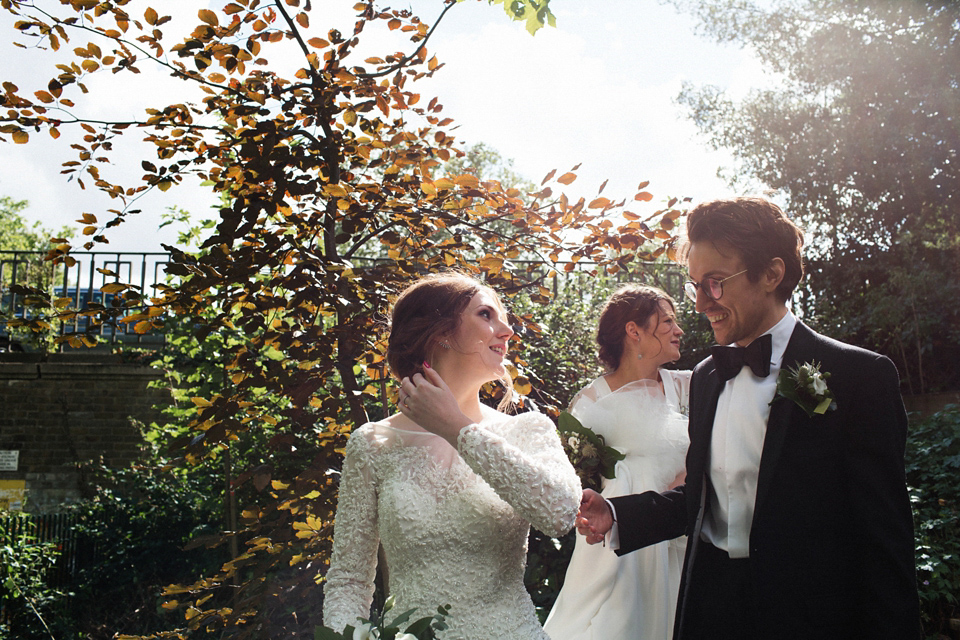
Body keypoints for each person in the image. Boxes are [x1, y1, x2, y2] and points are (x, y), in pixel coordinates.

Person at [577, 197, 921, 639]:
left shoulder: (859, 377)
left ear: (772, 275)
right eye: (694, 285)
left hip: (811, 618)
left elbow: (884, 539)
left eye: (715, 284)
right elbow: (703, 498)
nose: (701, 303)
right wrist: (617, 514)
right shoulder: (705, 378)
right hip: (712, 609)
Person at [323, 272, 581, 640]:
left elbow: (561, 513)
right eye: (487, 315)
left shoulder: (528, 430)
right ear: (440, 332)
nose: (506, 331)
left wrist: (457, 430)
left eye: (504, 319)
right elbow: (348, 580)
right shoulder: (371, 444)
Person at [544, 284, 691, 640]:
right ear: (633, 330)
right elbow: (573, 481)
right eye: (668, 321)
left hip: (679, 533)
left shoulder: (689, 387)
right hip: (618, 553)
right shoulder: (591, 402)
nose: (679, 329)